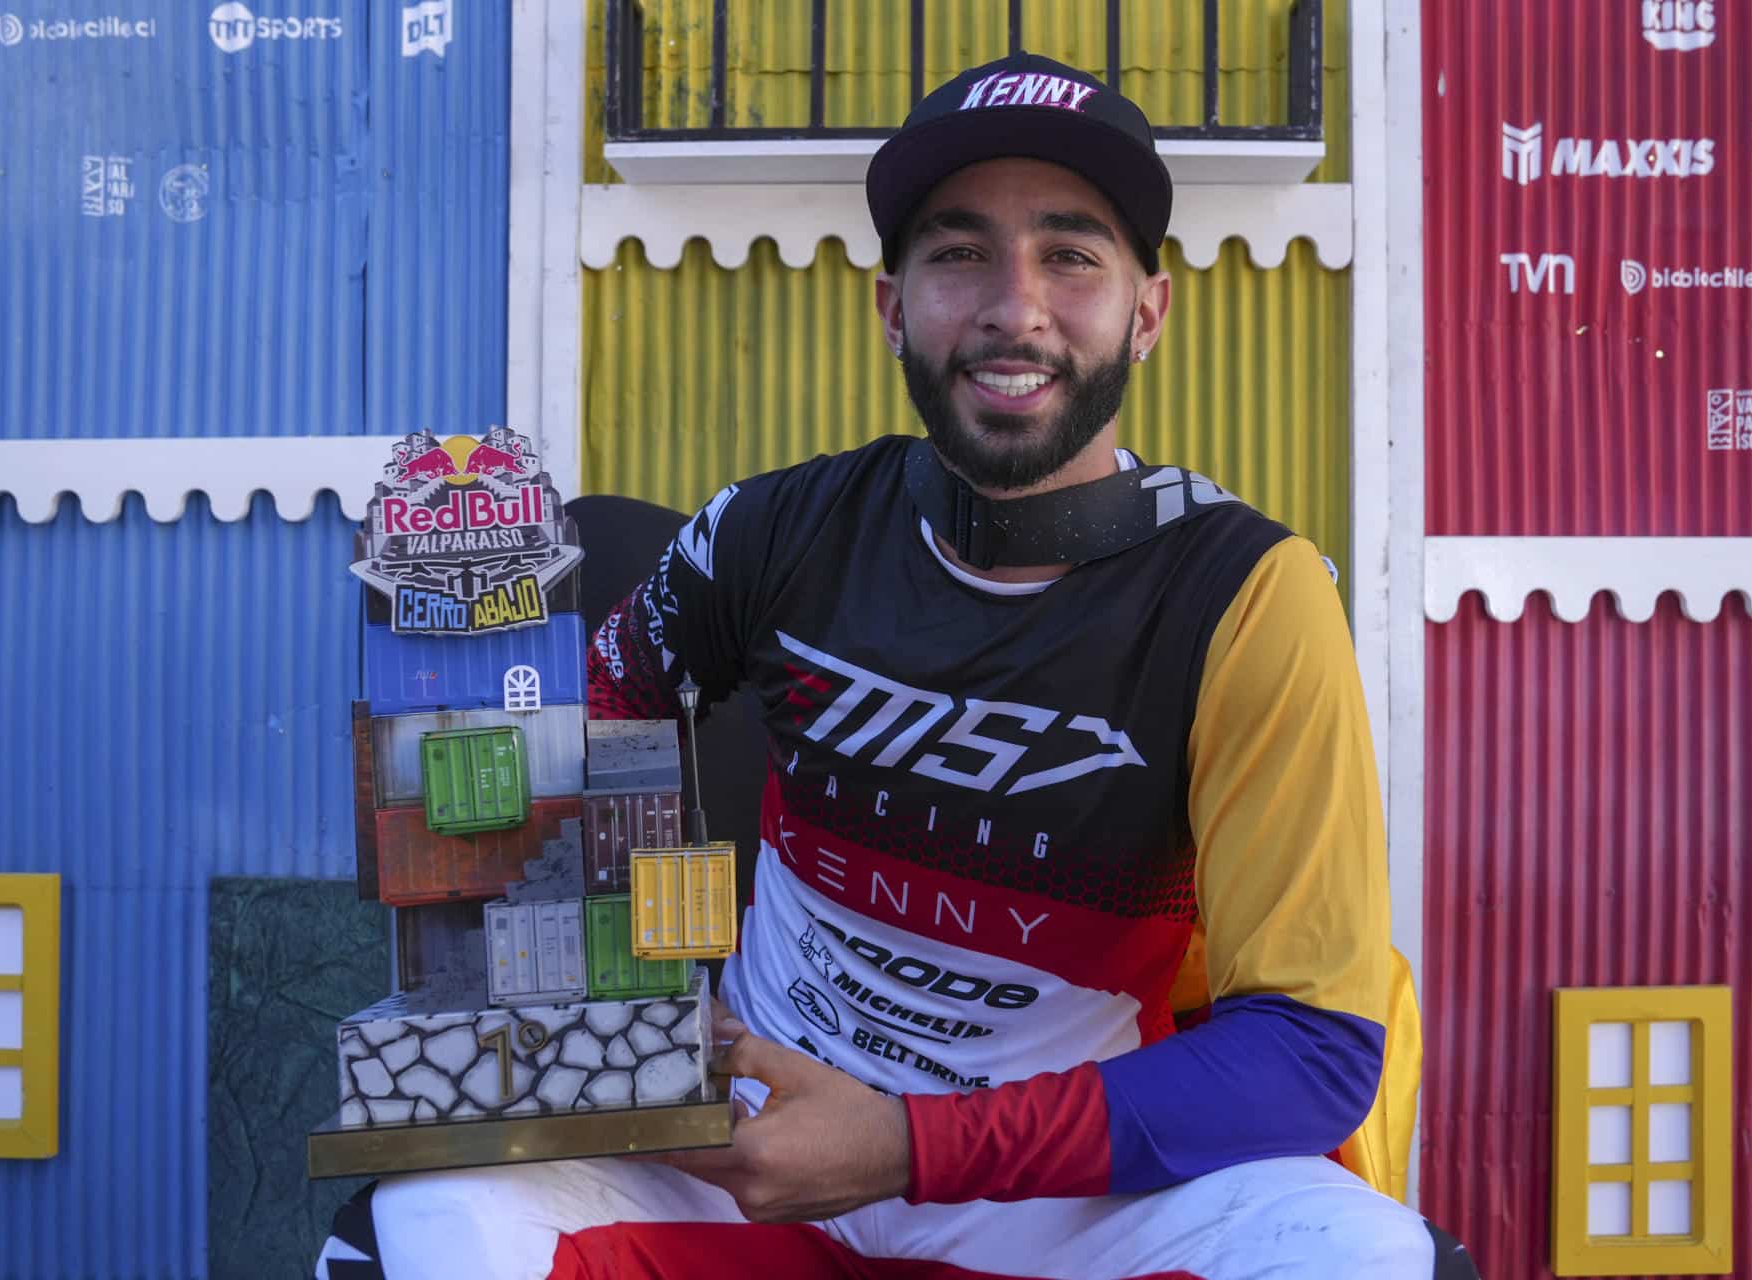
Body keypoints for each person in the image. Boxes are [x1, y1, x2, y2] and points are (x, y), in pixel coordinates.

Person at [322, 52, 1461, 1280]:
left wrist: (910, 1142)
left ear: (1149, 310)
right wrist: (602, 995)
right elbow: (584, 722)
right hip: (744, 1154)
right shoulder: (769, 528)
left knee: (1371, 1258)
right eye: (959, 252)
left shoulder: (1255, 594)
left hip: (1054, 1192)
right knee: (420, 1225)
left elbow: (1313, 1049)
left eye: (1071, 254)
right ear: (890, 305)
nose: (1013, 306)